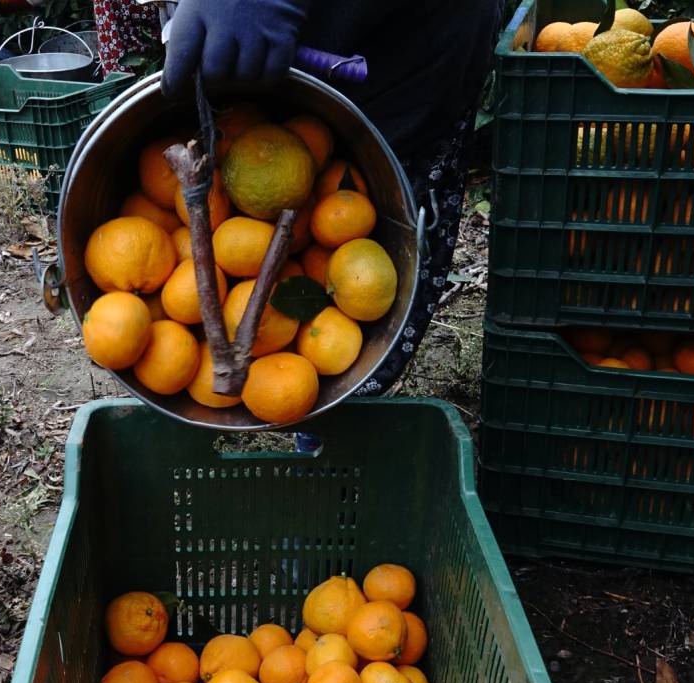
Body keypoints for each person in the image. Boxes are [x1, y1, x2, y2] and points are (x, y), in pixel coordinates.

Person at [98, 1, 501, 445]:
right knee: (291, 145)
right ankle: (322, 428)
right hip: (280, 76)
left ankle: (333, 435)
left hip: (402, 54)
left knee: (382, 202)